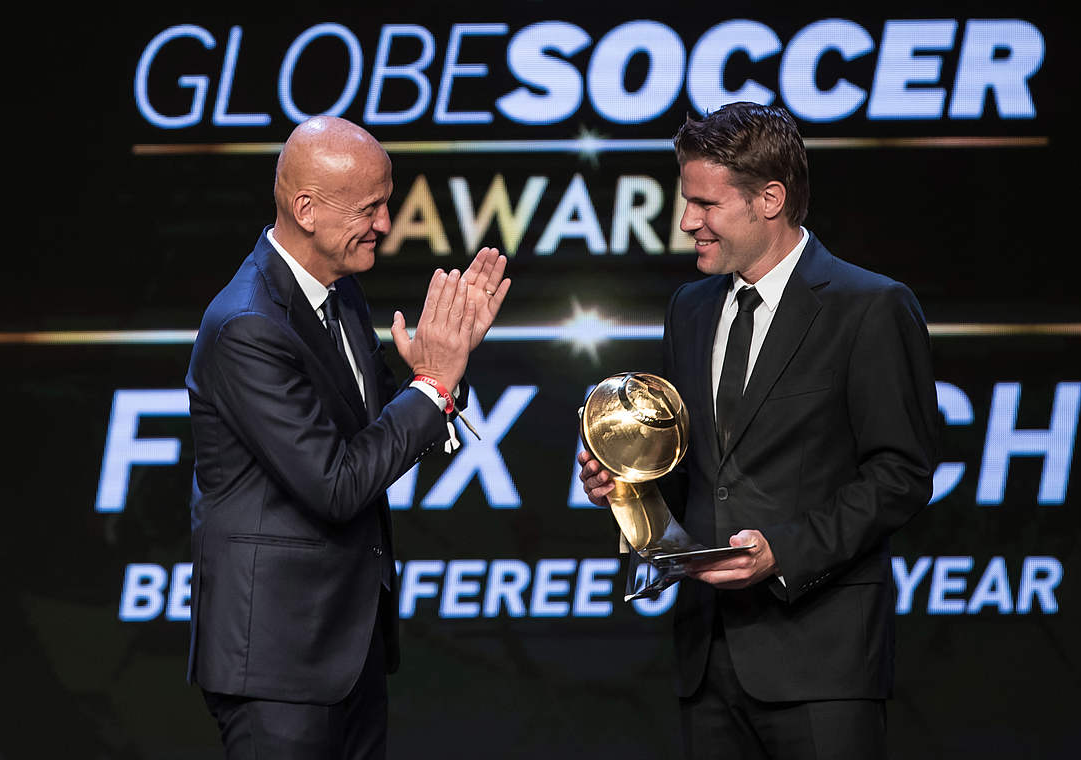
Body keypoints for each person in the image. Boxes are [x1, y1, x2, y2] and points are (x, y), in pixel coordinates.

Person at [578, 102, 940, 759]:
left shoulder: (869, 307)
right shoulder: (689, 309)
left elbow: (901, 475)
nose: (687, 221)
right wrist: (627, 481)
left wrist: (784, 550)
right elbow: (690, 470)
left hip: (821, 664)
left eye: (704, 203)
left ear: (769, 199)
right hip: (707, 662)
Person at [185, 115, 510, 759]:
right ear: (306, 209)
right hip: (277, 661)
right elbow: (335, 484)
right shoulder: (248, 326)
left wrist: (445, 370)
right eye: (372, 207)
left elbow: (385, 422)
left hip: (345, 643)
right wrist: (433, 387)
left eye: (387, 203)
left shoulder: (339, 294)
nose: (387, 224)